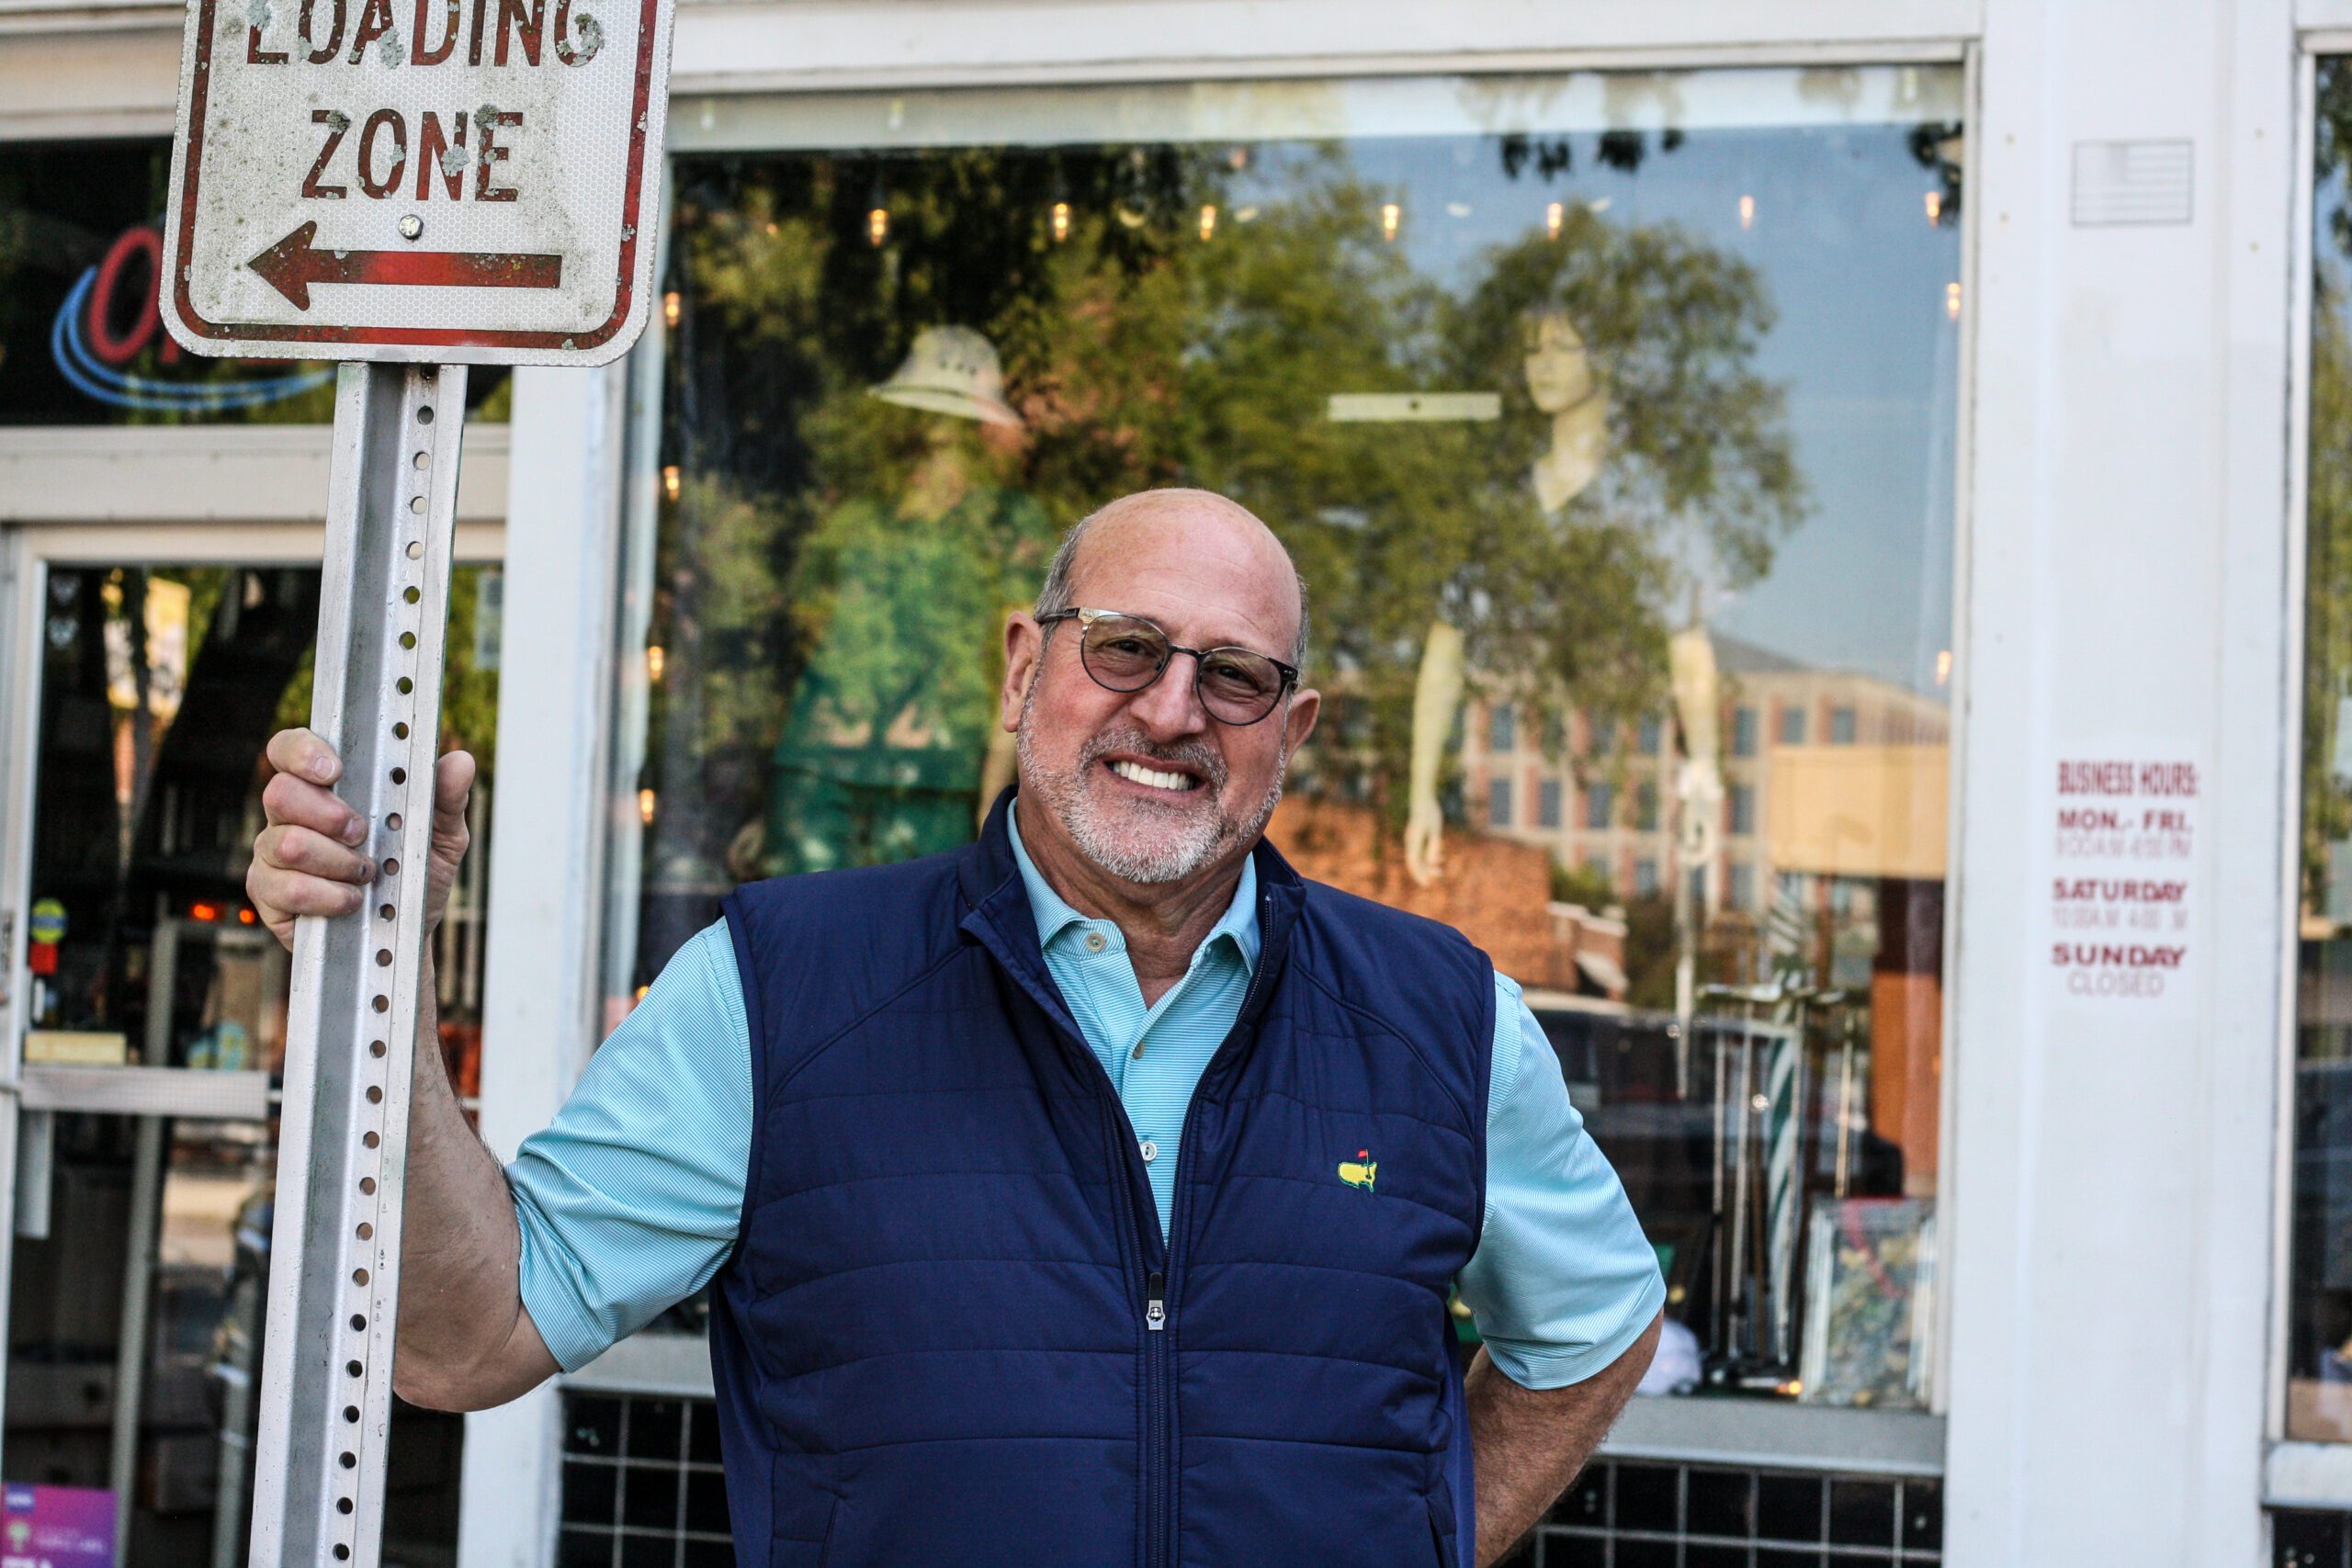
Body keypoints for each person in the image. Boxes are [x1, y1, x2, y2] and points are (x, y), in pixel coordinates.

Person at [247, 488, 1663, 1568]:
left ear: (1290, 736)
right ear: (1020, 666)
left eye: (1231, 678)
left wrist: (1422, 1542)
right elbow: (462, 1335)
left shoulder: (1440, 1016)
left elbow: (1597, 1320)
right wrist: (382, 968)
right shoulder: (781, 983)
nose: (1171, 711)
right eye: (1126, 649)